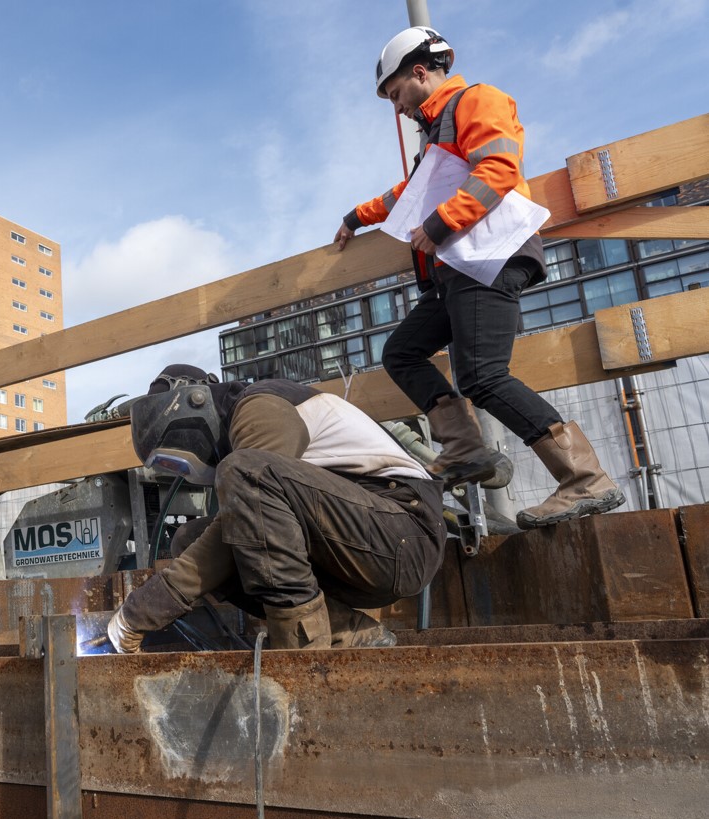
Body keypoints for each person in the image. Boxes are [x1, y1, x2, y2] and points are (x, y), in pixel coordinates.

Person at [333, 26, 624, 529]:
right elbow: (411, 190)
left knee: (483, 376)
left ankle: (585, 478)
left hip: (489, 256)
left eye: (396, 93)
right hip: (460, 268)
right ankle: (465, 450)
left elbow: (499, 168)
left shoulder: (477, 100)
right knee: (401, 352)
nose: (397, 108)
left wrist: (439, 224)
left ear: (420, 73)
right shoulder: (436, 133)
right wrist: (357, 216)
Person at [107, 364, 446, 653]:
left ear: (194, 406)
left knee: (245, 474)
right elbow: (250, 532)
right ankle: (351, 634)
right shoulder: (246, 435)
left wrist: (139, 612)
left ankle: (300, 655)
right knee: (189, 538)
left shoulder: (260, 405)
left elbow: (249, 496)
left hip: (403, 534)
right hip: (360, 547)